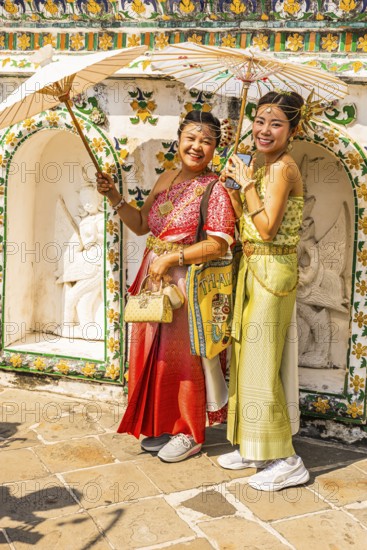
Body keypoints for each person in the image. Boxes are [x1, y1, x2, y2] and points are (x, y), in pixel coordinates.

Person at [96, 111, 235, 463]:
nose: (197, 146)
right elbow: (142, 224)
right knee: (153, 356)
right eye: (191, 137)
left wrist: (173, 260)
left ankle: (191, 432)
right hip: (152, 277)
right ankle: (168, 424)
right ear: (179, 139)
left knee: (185, 360)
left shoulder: (216, 188)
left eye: (206, 141)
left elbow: (219, 243)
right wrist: (113, 195)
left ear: (216, 147)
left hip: (185, 284)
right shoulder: (166, 178)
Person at [218, 91, 310, 491]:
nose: (264, 130)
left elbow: (269, 228)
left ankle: (287, 460)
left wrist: (246, 183)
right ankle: (253, 444)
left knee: (260, 361)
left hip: (274, 271)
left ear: (293, 129)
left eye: (275, 123)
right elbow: (247, 223)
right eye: (259, 121)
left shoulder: (283, 168)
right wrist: (236, 187)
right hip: (253, 266)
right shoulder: (260, 165)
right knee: (243, 356)